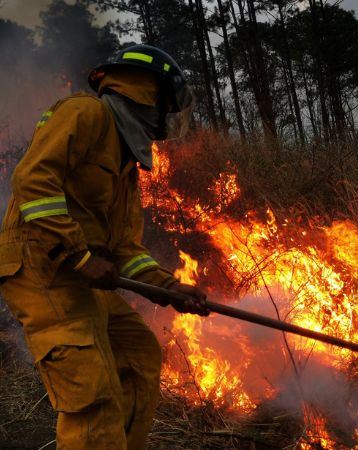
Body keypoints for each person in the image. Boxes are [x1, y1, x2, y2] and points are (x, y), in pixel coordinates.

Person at [0, 44, 208, 449]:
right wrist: (79, 255)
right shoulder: (86, 113)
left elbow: (124, 250)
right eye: (167, 109)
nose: (166, 124)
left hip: (78, 273)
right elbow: (32, 182)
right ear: (149, 96)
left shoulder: (124, 166)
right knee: (91, 393)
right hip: (42, 263)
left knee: (138, 356)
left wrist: (169, 287)